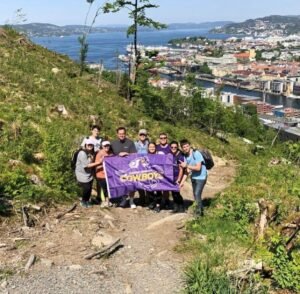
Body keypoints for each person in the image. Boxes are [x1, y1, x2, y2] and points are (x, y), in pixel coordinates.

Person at [179, 139, 207, 216]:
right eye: (183, 147)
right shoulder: (186, 157)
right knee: (195, 195)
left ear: (190, 145)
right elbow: (187, 172)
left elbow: (198, 168)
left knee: (197, 193)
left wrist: (187, 165)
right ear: (182, 148)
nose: (185, 148)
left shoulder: (196, 153)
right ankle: (200, 211)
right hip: (194, 177)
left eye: (187, 146)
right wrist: (181, 183)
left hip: (201, 177)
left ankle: (198, 215)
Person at [111, 127, 137, 208]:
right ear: (117, 134)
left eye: (123, 133)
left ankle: (132, 201)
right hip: (117, 168)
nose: (121, 135)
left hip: (129, 167)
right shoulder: (113, 143)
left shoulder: (130, 142)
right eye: (120, 134)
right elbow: (110, 155)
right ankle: (124, 199)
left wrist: (127, 154)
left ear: (125, 134)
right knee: (121, 184)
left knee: (131, 184)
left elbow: (134, 155)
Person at [75, 139, 101, 208]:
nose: (90, 146)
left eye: (91, 145)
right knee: (86, 187)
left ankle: (87, 200)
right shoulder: (82, 153)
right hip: (82, 173)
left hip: (89, 173)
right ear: (85, 145)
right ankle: (83, 201)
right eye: (88, 145)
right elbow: (86, 165)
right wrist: (98, 163)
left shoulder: (92, 152)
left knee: (89, 188)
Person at [95, 140, 113, 207]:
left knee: (108, 188)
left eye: (108, 145)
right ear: (102, 146)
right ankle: (103, 201)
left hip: (108, 175)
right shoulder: (99, 154)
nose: (107, 147)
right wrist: (103, 164)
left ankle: (108, 201)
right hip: (101, 175)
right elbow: (96, 166)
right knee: (103, 189)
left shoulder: (111, 153)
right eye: (105, 146)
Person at [156, 133, 171, 209]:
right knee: (158, 187)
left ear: (167, 138)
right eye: (161, 138)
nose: (163, 139)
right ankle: (158, 204)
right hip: (158, 170)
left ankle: (166, 202)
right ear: (159, 139)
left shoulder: (170, 147)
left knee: (166, 188)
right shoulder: (157, 147)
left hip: (167, 170)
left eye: (164, 138)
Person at [135, 129, 149, 206]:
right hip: (138, 167)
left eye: (144, 134)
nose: (142, 136)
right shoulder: (135, 144)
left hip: (147, 167)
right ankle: (142, 197)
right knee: (139, 182)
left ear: (146, 136)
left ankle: (148, 198)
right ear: (138, 135)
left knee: (147, 182)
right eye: (141, 134)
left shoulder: (149, 144)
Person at [170, 141, 185, 213]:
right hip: (171, 176)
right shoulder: (169, 155)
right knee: (173, 192)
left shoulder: (180, 156)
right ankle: (175, 207)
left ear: (177, 147)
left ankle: (181, 206)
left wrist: (179, 179)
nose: (173, 148)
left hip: (177, 176)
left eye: (175, 147)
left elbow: (181, 169)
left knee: (177, 192)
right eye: (172, 147)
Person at [147, 142, 162, 213]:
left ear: (155, 147)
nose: (152, 148)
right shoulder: (146, 156)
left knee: (158, 190)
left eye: (153, 147)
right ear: (148, 148)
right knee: (149, 190)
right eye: (150, 147)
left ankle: (158, 205)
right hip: (149, 175)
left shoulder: (160, 154)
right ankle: (152, 203)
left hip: (158, 175)